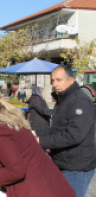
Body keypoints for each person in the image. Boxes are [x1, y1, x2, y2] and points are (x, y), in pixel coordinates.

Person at [35, 65, 96, 197]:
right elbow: (57, 129)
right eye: (53, 80)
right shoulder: (64, 100)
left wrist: (41, 141)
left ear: (71, 80)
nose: (54, 84)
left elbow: (74, 135)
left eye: (59, 80)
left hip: (76, 168)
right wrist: (35, 133)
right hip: (64, 163)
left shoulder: (80, 101)